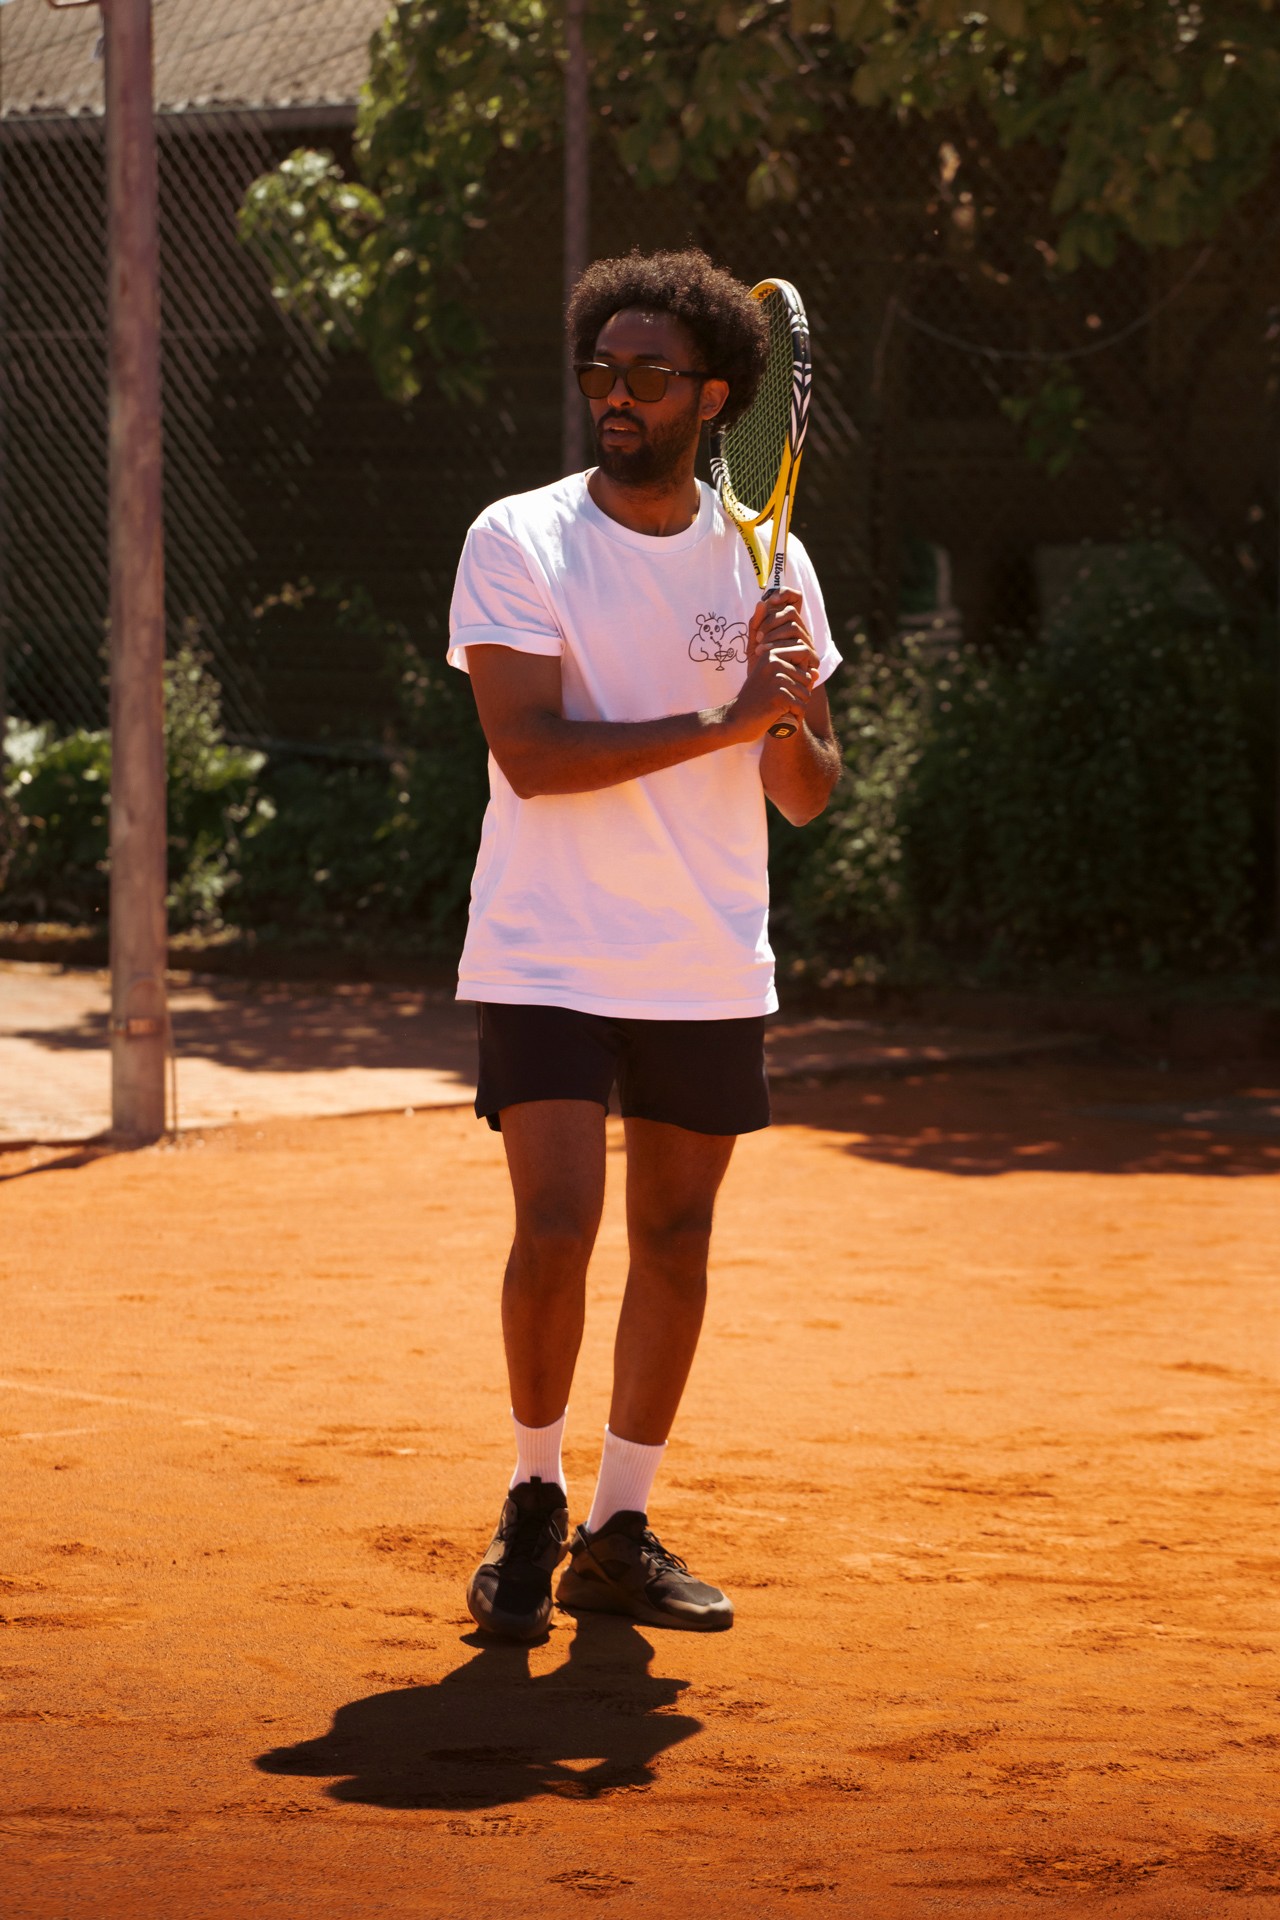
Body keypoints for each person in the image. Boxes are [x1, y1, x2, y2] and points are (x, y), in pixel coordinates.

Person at [448, 248, 841, 1640]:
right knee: (556, 1231)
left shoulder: (770, 559)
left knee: (675, 1239)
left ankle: (619, 1526)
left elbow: (807, 793)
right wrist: (722, 721)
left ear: (715, 395)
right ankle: (532, 1498)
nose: (615, 395)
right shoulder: (519, 538)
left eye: (647, 375)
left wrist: (779, 710)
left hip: (703, 957)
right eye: (598, 370)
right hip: (546, 947)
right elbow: (532, 755)